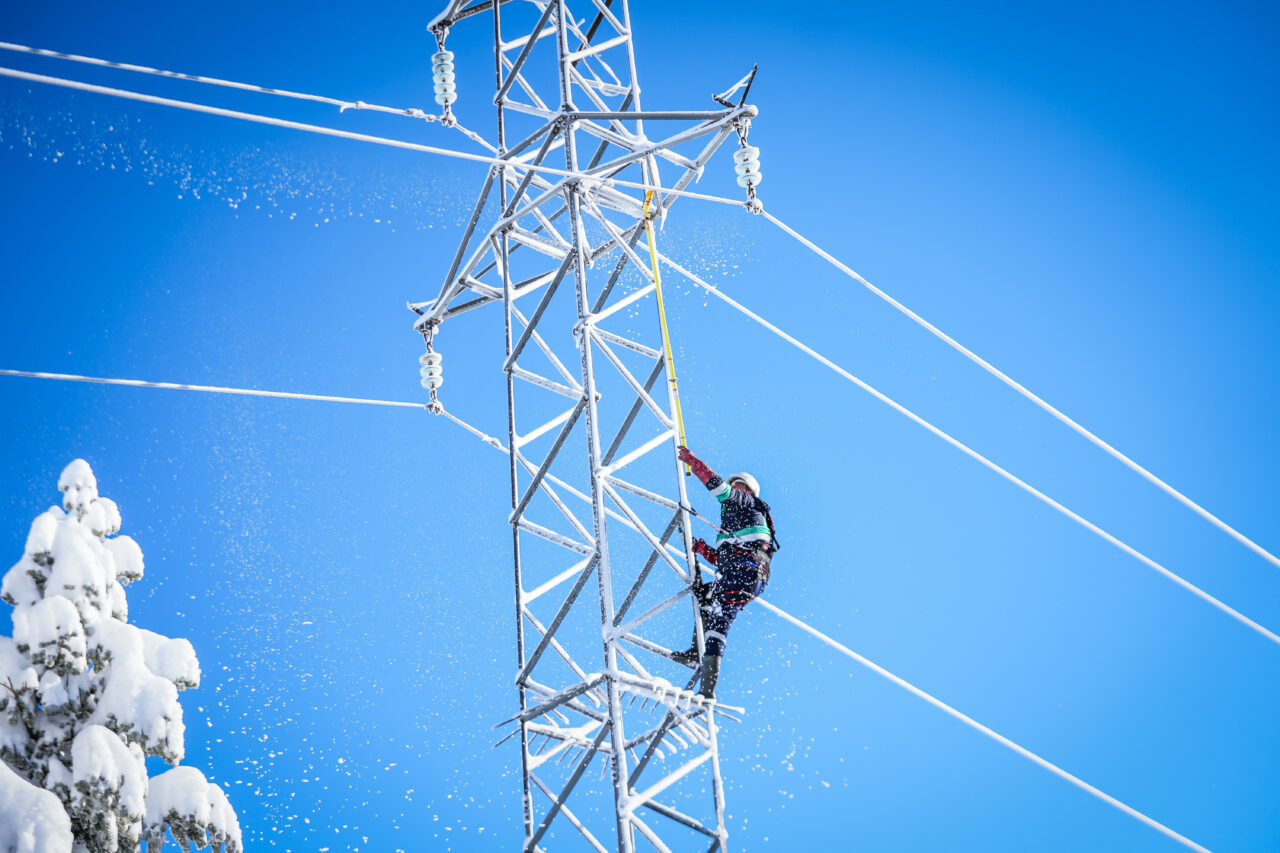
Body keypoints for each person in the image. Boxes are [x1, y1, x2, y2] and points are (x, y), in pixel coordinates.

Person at [671, 445, 779, 699]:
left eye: (739, 485)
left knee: (719, 614)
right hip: (740, 573)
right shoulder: (733, 527)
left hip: (747, 572)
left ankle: (707, 685)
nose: (735, 489)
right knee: (706, 600)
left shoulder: (749, 502)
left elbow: (719, 488)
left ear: (748, 490)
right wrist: (703, 549)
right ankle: (698, 656)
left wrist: (692, 460)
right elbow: (722, 559)